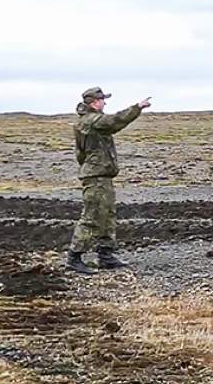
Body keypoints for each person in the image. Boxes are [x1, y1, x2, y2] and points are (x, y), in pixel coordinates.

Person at [65, 87, 152, 274]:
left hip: (100, 175)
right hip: (95, 177)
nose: (105, 103)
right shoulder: (91, 120)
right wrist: (136, 108)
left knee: (107, 215)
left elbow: (81, 154)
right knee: (93, 216)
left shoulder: (89, 120)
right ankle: (74, 257)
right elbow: (114, 121)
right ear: (94, 102)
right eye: (102, 100)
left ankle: (105, 255)